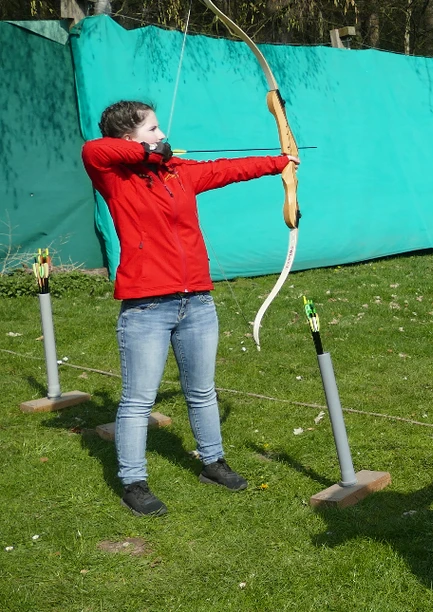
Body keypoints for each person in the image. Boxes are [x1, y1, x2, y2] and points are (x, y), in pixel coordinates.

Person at [81, 100, 298, 516]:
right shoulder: (115, 176)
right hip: (147, 306)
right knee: (137, 401)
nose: (162, 135)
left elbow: (226, 169)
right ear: (128, 138)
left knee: (201, 391)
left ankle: (212, 462)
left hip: (196, 299)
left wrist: (281, 162)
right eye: (152, 130)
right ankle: (133, 481)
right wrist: (147, 155)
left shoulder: (178, 173)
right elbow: (95, 150)